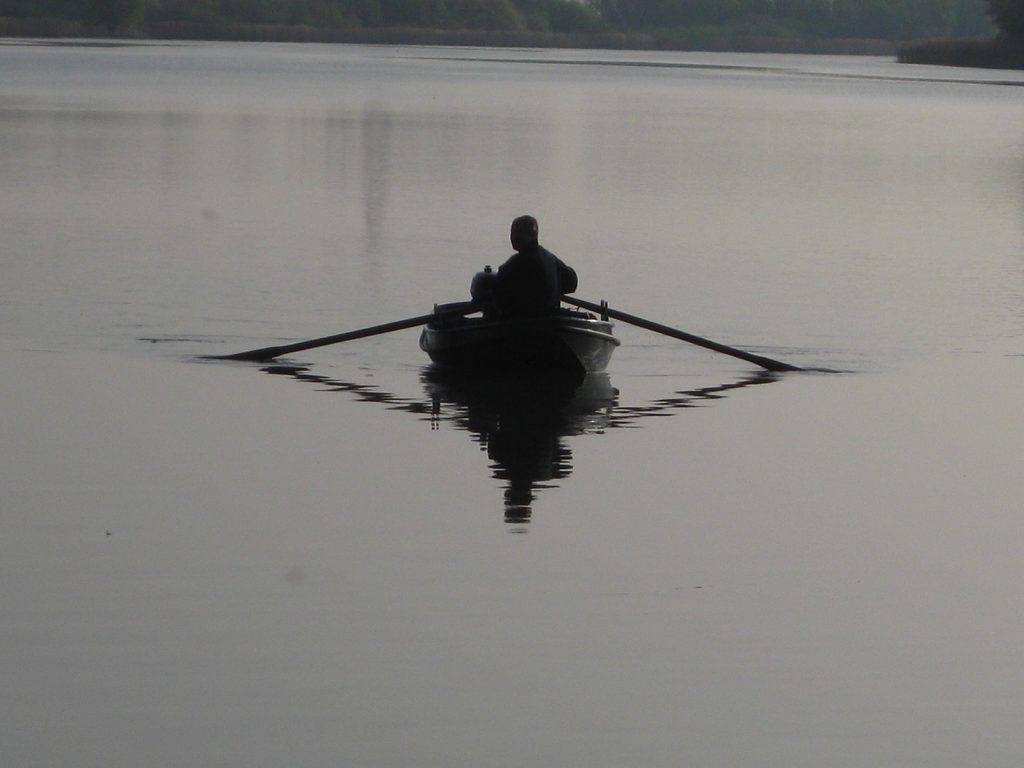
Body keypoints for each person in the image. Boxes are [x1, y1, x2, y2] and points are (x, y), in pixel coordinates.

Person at [478, 215, 577, 319]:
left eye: (521, 232)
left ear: (534, 235)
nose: (514, 237)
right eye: (513, 232)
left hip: (522, 324)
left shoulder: (514, 264)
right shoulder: (551, 259)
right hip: (548, 320)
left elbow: (498, 296)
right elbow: (571, 283)